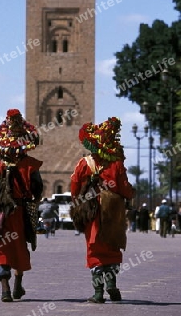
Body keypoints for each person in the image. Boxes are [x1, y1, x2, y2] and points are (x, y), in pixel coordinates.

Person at [70, 117, 135, 303]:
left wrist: (78, 203)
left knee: (94, 248)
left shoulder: (85, 163)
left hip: (92, 210)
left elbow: (75, 185)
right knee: (113, 244)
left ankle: (98, 293)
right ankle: (112, 284)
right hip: (113, 209)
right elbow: (124, 187)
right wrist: (130, 195)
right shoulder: (117, 164)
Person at [0, 109, 43, 302]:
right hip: (20, 212)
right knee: (19, 247)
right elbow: (37, 189)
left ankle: (5, 289)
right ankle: (17, 285)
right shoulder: (29, 164)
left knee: (1, 248)